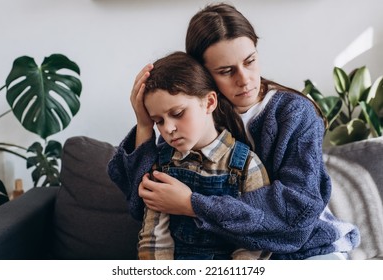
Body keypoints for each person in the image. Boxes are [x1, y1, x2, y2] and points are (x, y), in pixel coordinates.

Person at [108, 3, 360, 260]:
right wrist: (144, 124)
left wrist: (191, 204)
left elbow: (297, 211)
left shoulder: (294, 113)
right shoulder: (194, 122)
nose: (245, 79)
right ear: (202, 75)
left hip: (309, 247)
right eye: (226, 71)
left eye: (250, 61)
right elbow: (140, 204)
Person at [134, 51, 271, 260]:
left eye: (178, 113)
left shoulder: (246, 165)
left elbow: (255, 241)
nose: (168, 128)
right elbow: (153, 239)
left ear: (209, 102)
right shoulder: (162, 165)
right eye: (158, 121)